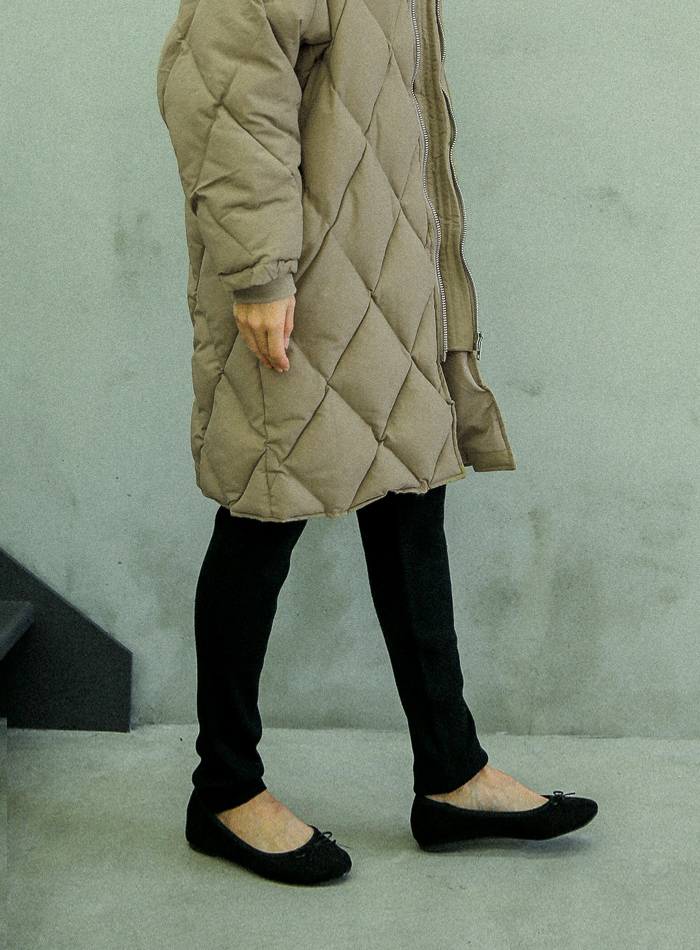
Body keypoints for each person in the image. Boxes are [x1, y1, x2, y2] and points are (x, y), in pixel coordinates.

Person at [156, 0, 598, 885]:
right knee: (262, 510)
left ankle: (452, 774)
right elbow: (227, 92)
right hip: (303, 283)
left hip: (385, 277)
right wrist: (258, 271)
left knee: (410, 499)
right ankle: (225, 789)